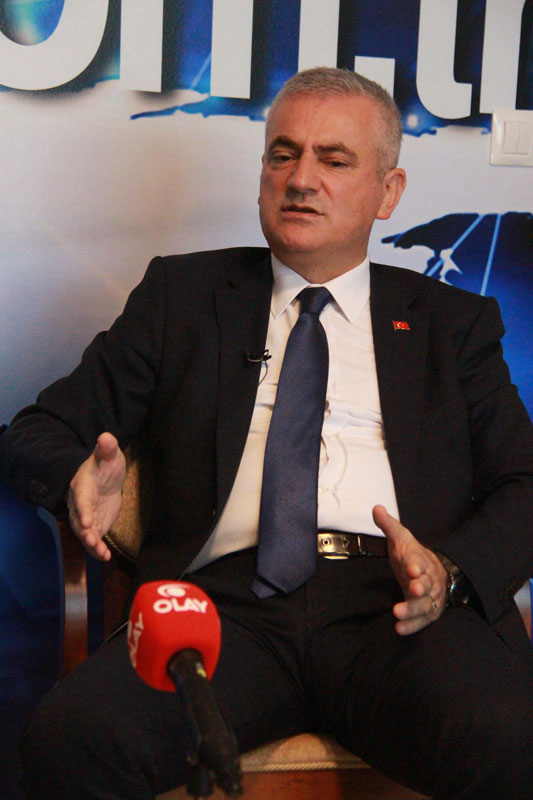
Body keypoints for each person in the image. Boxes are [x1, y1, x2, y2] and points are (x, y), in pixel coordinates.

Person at [2, 67, 533, 800]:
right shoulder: (182, 297)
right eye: (283, 154)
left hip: (398, 610)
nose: (300, 179)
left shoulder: (451, 323)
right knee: (75, 738)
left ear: (388, 193)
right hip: (222, 610)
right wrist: (75, 477)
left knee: (510, 737)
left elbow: (523, 483)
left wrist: (446, 571)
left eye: (333, 160)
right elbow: (37, 429)